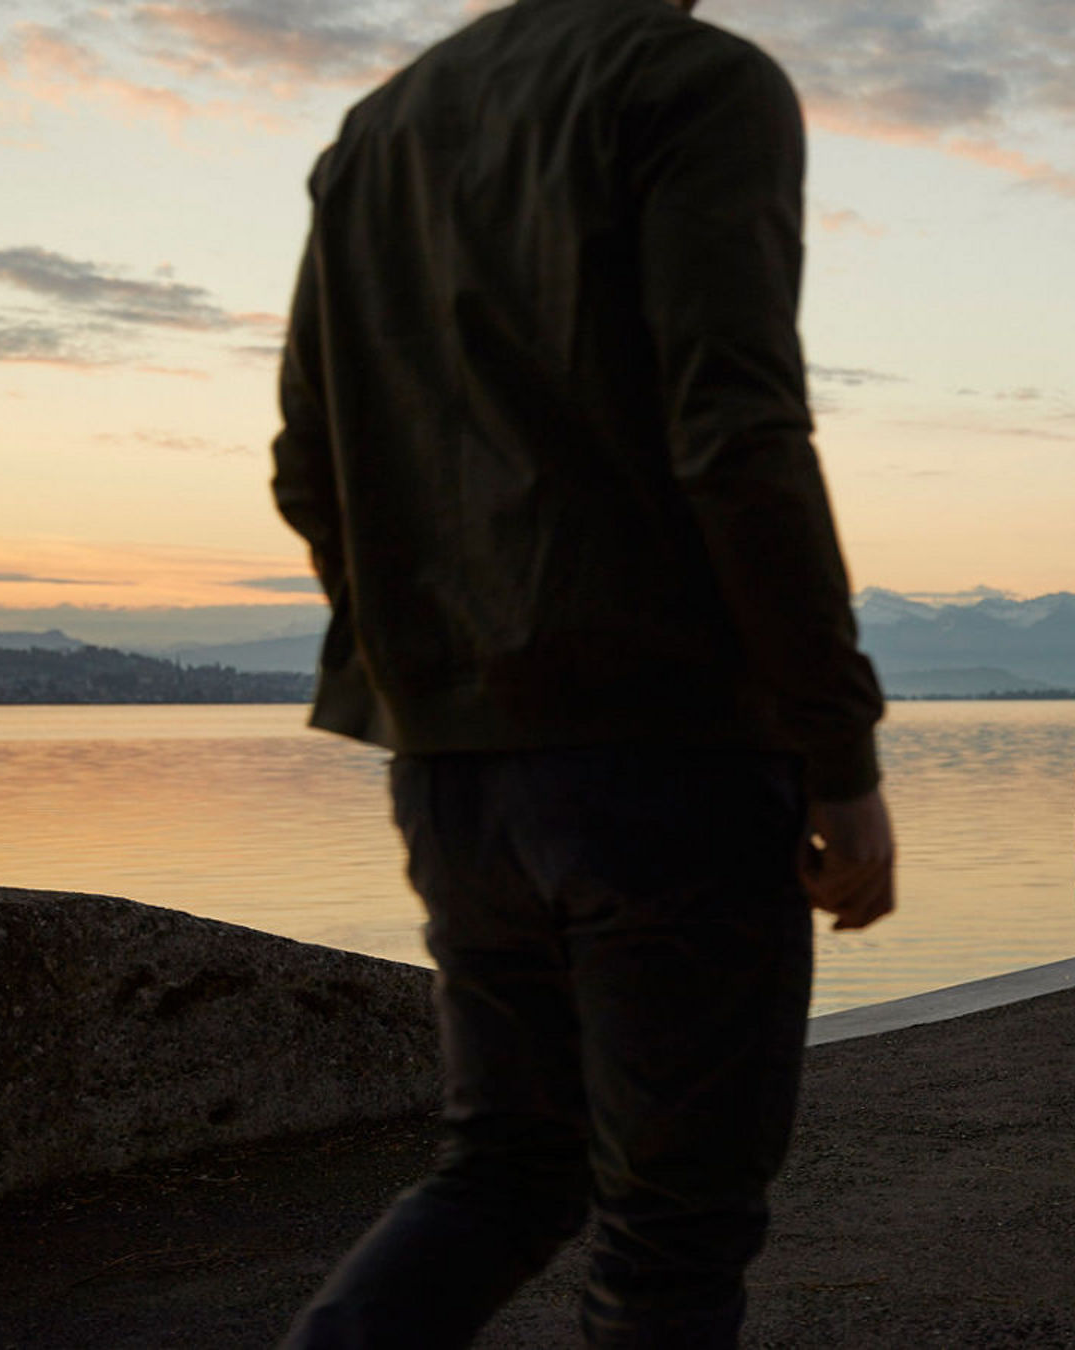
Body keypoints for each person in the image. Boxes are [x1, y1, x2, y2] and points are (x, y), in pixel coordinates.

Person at [270, 0, 893, 1344]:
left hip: (452, 769)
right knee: (672, 1232)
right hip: (666, 755)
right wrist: (839, 755)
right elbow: (736, 434)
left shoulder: (378, 132)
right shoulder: (693, 83)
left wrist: (435, 669)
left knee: (507, 1166)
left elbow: (306, 470)